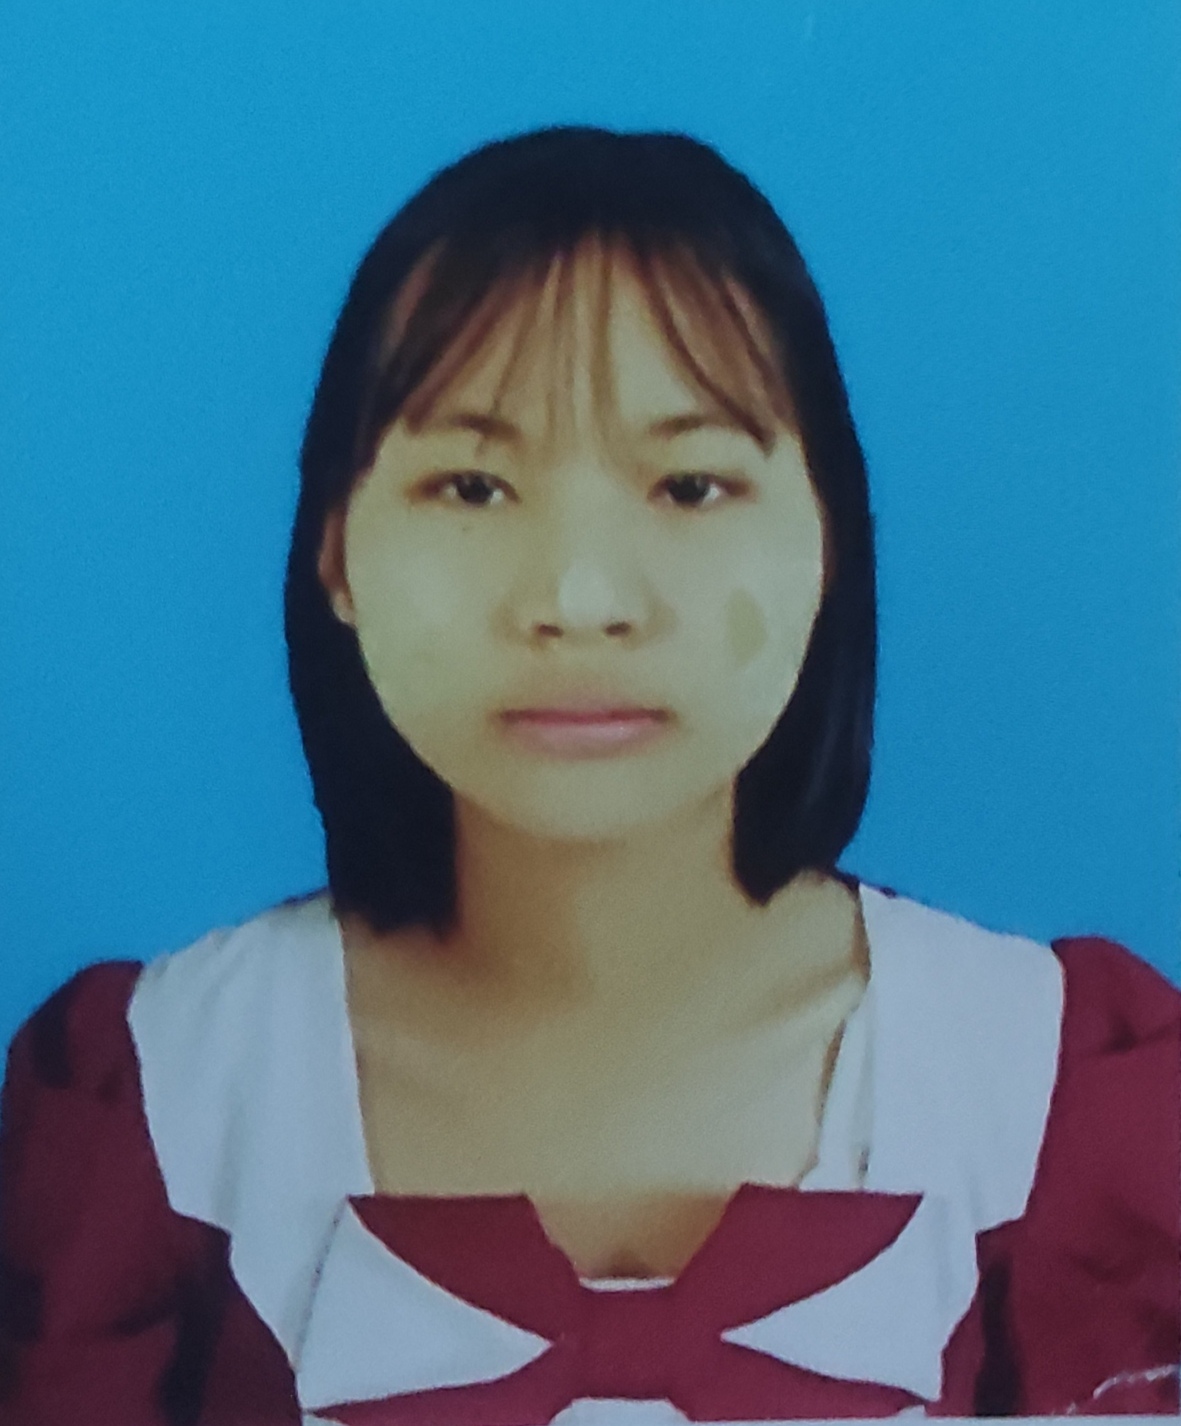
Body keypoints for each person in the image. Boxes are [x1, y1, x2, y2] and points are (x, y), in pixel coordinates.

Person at [0, 126, 1177, 1426]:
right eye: (471, 485)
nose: (578, 596)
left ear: (830, 542)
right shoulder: (167, 1094)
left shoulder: (1050, 1093)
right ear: (336, 552)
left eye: (689, 485)